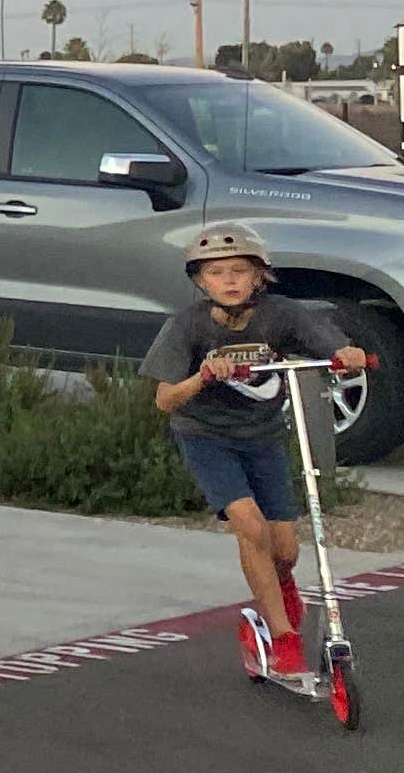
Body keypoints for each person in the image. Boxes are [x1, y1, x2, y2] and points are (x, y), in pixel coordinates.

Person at [145, 223, 375, 681]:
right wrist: (204, 377)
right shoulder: (186, 326)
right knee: (250, 527)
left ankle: (281, 589)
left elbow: (327, 342)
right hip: (206, 436)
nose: (228, 280)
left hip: (263, 436)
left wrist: (348, 353)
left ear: (259, 277)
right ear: (199, 281)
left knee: (285, 549)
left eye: (238, 271)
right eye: (215, 273)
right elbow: (165, 400)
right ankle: (284, 638)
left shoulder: (280, 315)